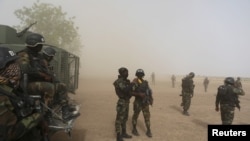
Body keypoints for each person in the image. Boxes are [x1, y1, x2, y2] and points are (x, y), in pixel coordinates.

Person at [0, 46, 43, 141]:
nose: (16, 67)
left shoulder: (10, 86)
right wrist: (36, 117)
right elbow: (9, 134)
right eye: (11, 64)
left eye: (15, 63)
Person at [41, 46, 80, 122]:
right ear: (49, 57)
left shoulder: (45, 63)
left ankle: (65, 108)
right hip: (43, 85)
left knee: (60, 86)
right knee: (60, 87)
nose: (52, 58)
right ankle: (64, 113)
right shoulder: (42, 63)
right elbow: (46, 75)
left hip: (45, 83)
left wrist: (56, 81)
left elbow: (51, 76)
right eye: (51, 57)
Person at [131, 69, 153, 138]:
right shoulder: (135, 82)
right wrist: (139, 94)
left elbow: (149, 91)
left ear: (143, 75)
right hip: (138, 102)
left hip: (145, 102)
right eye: (139, 74)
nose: (140, 75)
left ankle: (148, 130)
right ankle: (134, 129)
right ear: (137, 75)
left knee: (147, 117)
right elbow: (131, 92)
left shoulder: (145, 82)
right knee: (135, 116)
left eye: (141, 74)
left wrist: (151, 98)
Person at [113, 67, 132, 141]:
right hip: (122, 101)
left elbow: (130, 90)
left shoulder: (126, 81)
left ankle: (124, 133)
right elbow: (125, 90)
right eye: (125, 72)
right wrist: (132, 84)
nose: (127, 74)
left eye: (127, 72)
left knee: (125, 118)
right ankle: (118, 136)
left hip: (126, 101)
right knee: (119, 119)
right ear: (121, 73)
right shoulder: (119, 81)